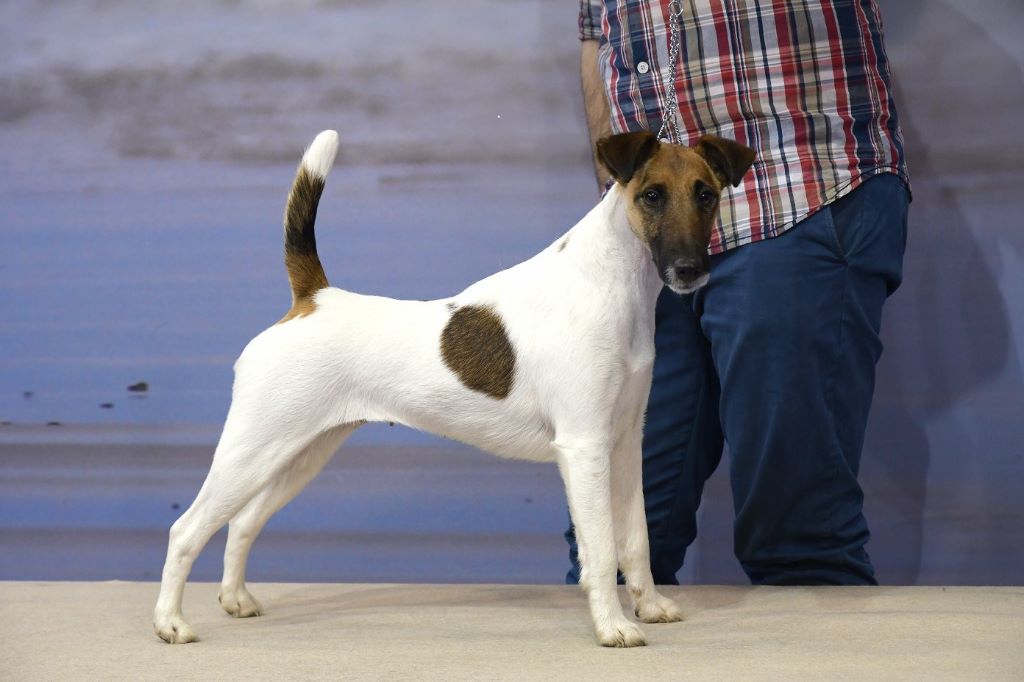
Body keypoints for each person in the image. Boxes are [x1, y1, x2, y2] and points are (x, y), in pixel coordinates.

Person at [566, 0, 910, 585]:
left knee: (799, 547)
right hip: (647, 239)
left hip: (795, 188)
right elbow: (598, 30)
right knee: (611, 553)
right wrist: (617, 189)